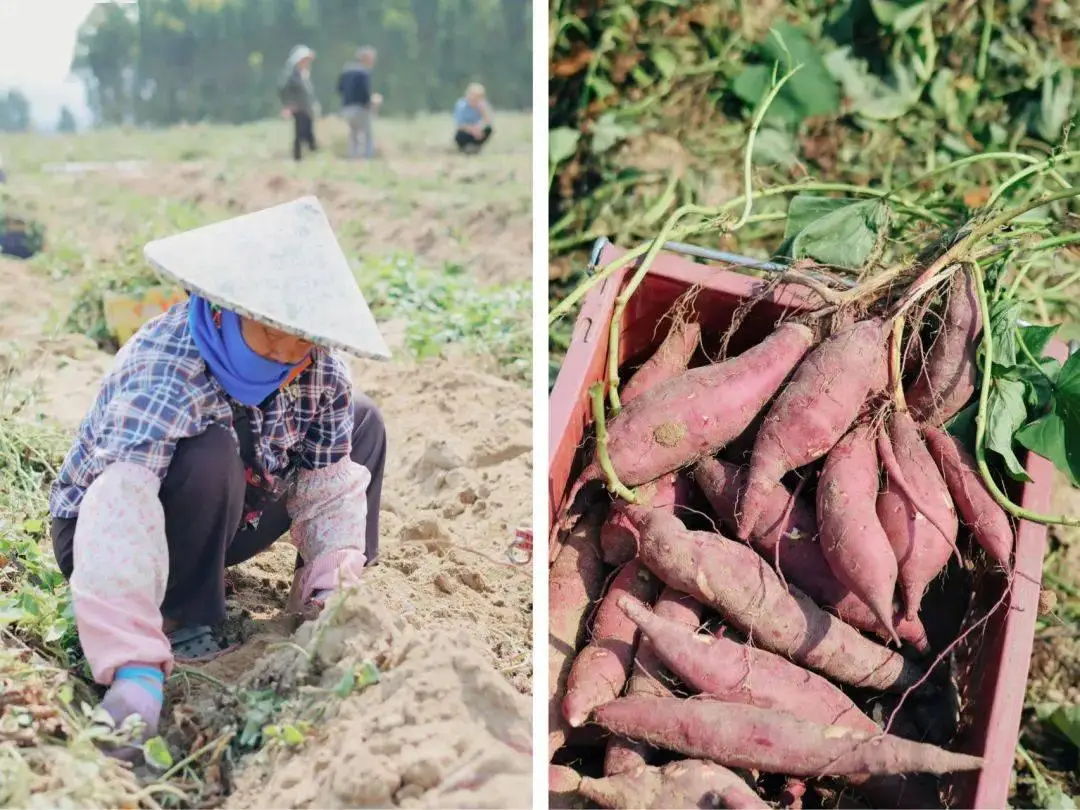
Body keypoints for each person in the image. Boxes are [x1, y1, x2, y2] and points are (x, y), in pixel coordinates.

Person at [49, 196, 390, 758]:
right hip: (107, 533)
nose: (283, 352)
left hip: (229, 512)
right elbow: (121, 508)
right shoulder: (165, 370)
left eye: (298, 338)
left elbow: (328, 486)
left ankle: (326, 597)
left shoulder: (318, 368)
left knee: (364, 422)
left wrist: (334, 586)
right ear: (225, 308)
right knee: (209, 448)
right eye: (267, 331)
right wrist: (132, 666)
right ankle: (177, 615)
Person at [337, 46, 383, 160]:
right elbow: (364, 93)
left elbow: (339, 89)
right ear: (365, 58)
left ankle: (353, 158)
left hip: (346, 108)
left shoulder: (346, 71)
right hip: (360, 109)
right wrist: (373, 102)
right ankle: (367, 159)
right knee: (367, 135)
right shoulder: (363, 73)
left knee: (353, 135)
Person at [279, 45, 320, 161]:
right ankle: (298, 157)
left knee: (308, 131)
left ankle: (311, 154)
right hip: (298, 108)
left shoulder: (304, 74)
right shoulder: (292, 75)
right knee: (300, 132)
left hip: (306, 108)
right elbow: (284, 90)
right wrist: (289, 104)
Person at [453, 83, 494, 154]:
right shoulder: (461, 105)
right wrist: (472, 130)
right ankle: (464, 148)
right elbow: (459, 124)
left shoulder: (483, 105)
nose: (475, 99)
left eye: (478, 97)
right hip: (465, 132)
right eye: (474, 96)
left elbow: (488, 122)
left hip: (478, 131)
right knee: (460, 134)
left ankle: (476, 147)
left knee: (488, 129)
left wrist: (483, 111)